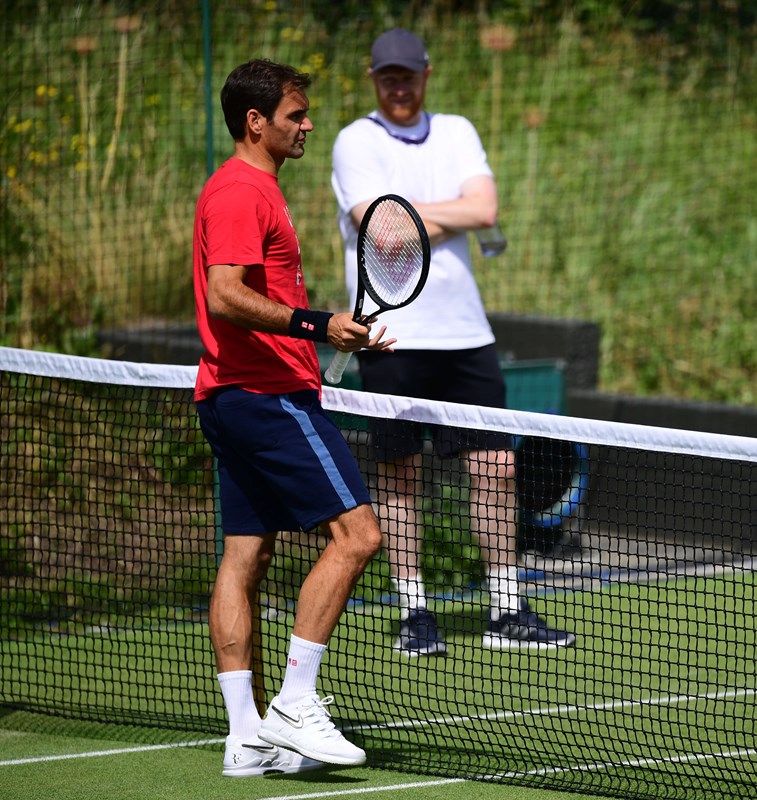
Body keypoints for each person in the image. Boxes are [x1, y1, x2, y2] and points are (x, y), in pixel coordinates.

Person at [330, 29, 574, 656]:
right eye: (387, 76)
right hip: (389, 338)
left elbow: (486, 209)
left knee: (498, 466)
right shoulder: (355, 141)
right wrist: (445, 213)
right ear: (372, 78)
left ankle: (506, 608)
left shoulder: (458, 130)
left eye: (408, 75)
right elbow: (381, 234)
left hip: (468, 337)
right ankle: (414, 611)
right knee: (400, 473)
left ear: (426, 74)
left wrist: (414, 214)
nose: (399, 86)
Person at [194, 59, 393, 777]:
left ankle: (246, 736)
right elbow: (225, 295)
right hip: (266, 394)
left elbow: (252, 300)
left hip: (232, 395)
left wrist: (337, 334)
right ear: (257, 122)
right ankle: (294, 703)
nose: (307, 125)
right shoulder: (242, 191)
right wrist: (315, 325)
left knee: (246, 554)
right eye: (295, 115)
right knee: (359, 535)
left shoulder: (249, 190)